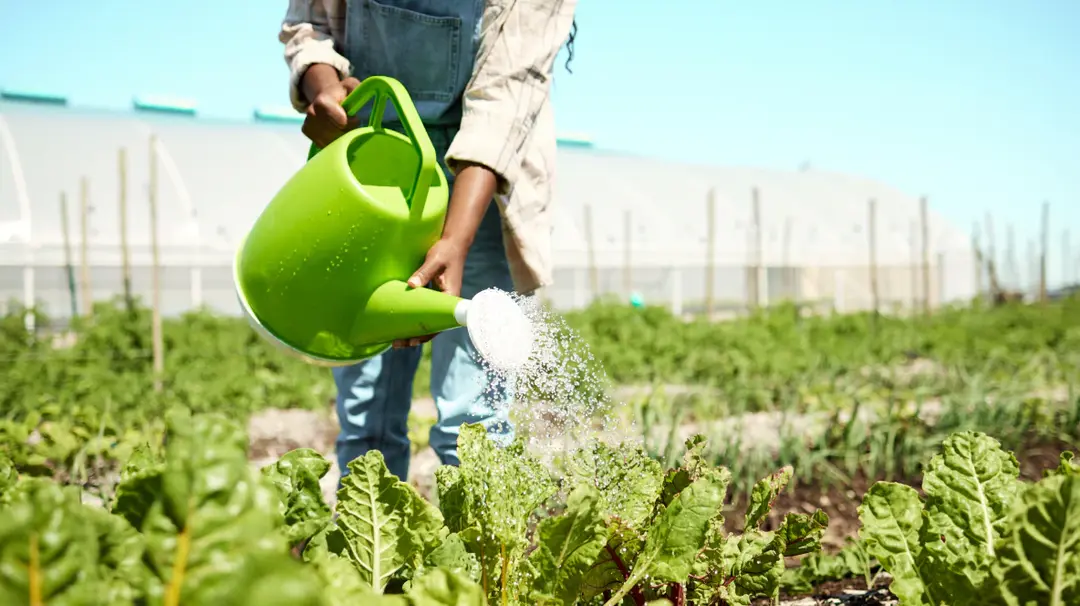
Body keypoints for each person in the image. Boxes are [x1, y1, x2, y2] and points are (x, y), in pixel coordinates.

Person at [279, 0, 578, 482]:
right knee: (366, 421)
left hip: (481, 187)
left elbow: (504, 100)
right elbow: (308, 25)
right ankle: (373, 553)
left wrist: (455, 239)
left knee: (473, 423)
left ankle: (479, 557)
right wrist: (324, 86)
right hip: (376, 173)